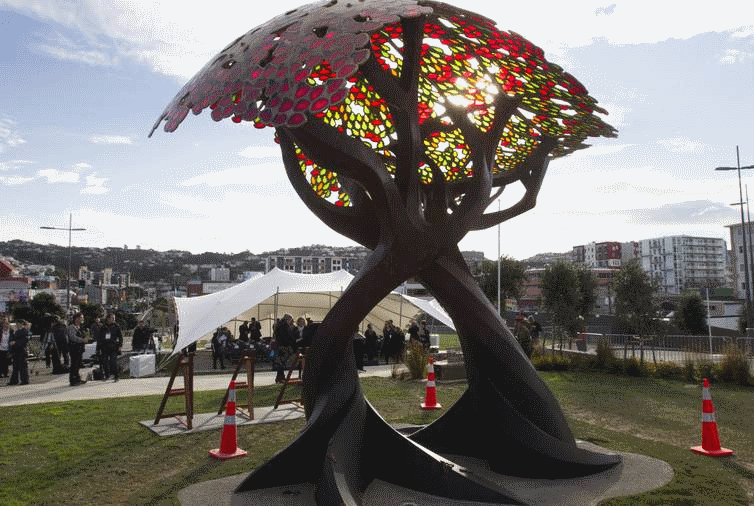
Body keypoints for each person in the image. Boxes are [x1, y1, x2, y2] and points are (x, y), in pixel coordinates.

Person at [98, 314, 123, 381]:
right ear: (108, 319)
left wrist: (120, 345)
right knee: (105, 362)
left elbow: (120, 337)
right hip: (105, 347)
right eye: (112, 318)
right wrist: (99, 348)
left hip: (113, 346)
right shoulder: (103, 327)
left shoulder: (116, 326)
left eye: (114, 318)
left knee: (113, 362)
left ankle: (116, 376)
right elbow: (100, 337)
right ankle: (107, 375)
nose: (113, 319)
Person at [8, 319, 30, 385]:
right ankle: (14, 380)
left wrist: (15, 343)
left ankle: (24, 380)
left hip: (21, 350)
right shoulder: (15, 331)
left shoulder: (24, 331)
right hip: (16, 350)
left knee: (22, 366)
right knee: (15, 366)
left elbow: (24, 340)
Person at [67, 313, 87, 386]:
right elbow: (73, 337)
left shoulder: (79, 327)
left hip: (79, 349)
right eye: (81, 318)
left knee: (78, 364)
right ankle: (73, 379)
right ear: (76, 319)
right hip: (74, 348)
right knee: (74, 364)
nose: (82, 319)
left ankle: (78, 378)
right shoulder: (71, 327)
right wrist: (83, 340)